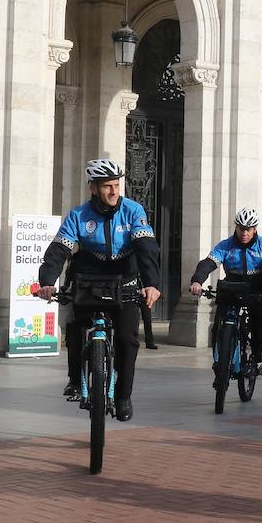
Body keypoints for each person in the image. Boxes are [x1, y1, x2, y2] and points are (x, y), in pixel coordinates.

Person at [36, 159, 161, 421]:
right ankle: (74, 379)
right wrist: (47, 281)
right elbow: (58, 251)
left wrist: (152, 283)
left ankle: (123, 396)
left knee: (127, 340)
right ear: (93, 188)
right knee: (76, 327)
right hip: (88, 281)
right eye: (107, 186)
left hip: (125, 281)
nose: (114, 191)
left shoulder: (133, 210)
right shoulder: (78, 216)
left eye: (116, 185)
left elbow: (146, 249)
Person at [189, 208, 262, 378]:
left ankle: (257, 355)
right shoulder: (225, 245)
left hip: (256, 288)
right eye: (241, 229)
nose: (244, 233)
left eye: (248, 229)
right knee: (218, 324)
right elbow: (208, 263)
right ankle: (219, 360)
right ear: (236, 228)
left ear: (254, 229)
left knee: (258, 318)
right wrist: (197, 281)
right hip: (232, 287)